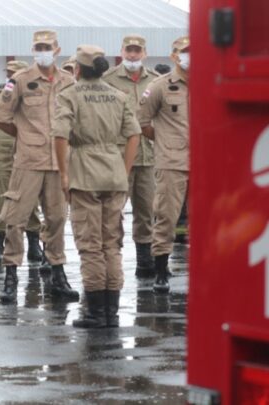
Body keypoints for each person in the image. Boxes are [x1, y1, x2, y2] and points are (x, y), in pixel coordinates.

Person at [52, 45, 141, 328]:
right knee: (112, 244)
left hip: (85, 173)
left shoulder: (70, 96)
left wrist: (64, 174)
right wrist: (124, 170)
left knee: (90, 246)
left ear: (78, 69)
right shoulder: (118, 95)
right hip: (114, 172)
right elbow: (134, 135)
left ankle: (94, 311)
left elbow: (60, 136)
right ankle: (111, 313)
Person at [0, 29, 79, 303]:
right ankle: (10, 276)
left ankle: (57, 272)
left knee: (57, 218)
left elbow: (76, 119)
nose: (42, 51)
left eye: (47, 47)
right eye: (38, 47)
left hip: (58, 163)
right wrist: (26, 137)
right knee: (15, 219)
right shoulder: (20, 80)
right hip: (28, 162)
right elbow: (2, 119)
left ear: (57, 50)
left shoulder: (69, 81)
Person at [103, 34, 159, 278]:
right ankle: (111, 258)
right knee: (113, 210)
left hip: (147, 156)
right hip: (118, 156)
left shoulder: (156, 81)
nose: (133, 55)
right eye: (129, 50)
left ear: (144, 53)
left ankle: (144, 260)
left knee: (146, 210)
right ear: (121, 51)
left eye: (137, 51)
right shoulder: (107, 80)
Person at [138, 36, 190, 294]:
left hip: (205, 162)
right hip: (172, 162)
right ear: (174, 56)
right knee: (166, 216)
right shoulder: (159, 86)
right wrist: (164, 142)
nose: (189, 55)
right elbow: (143, 121)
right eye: (184, 51)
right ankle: (160, 271)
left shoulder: (208, 82)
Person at [0, 60, 43, 265]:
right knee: (0, 199)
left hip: (28, 155)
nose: (10, 76)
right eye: (8, 73)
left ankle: (34, 243)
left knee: (31, 200)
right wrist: (4, 140)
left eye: (14, 73)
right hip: (4, 157)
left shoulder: (35, 97)